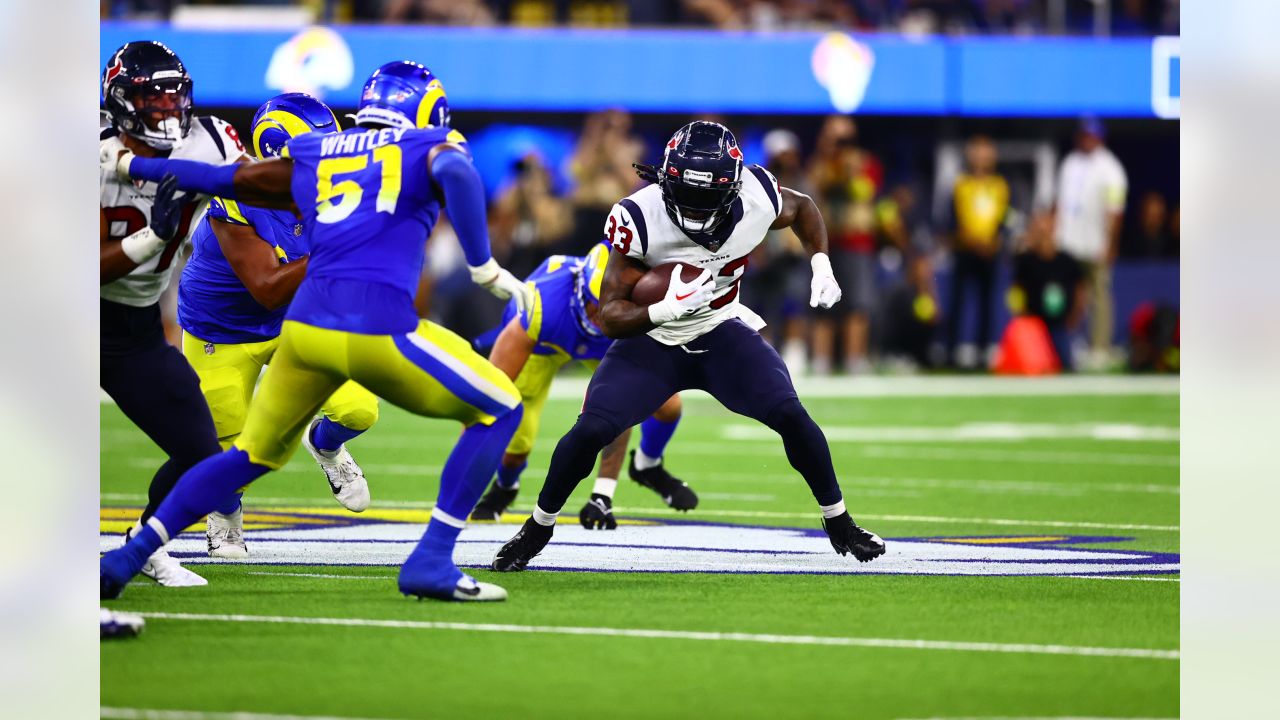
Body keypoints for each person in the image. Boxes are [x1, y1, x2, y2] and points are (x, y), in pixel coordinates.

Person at [101, 60, 533, 603]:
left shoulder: (321, 154)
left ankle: (126, 557)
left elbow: (221, 178)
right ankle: (431, 561)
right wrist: (483, 266)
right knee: (501, 407)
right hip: (372, 327)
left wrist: (130, 164)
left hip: (303, 333)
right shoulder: (429, 145)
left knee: (244, 458)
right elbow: (456, 171)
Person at [491, 121, 885, 571]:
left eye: (707, 195)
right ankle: (538, 526)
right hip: (653, 341)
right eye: (687, 193)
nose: (696, 207)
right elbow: (610, 316)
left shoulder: (757, 193)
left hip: (720, 329)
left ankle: (839, 522)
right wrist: (662, 310)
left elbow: (804, 208)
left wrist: (820, 262)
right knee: (590, 431)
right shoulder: (638, 215)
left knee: (792, 417)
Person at [177, 93, 382, 559]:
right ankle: (225, 515)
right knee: (231, 456)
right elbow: (267, 286)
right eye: (318, 152)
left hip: (296, 319)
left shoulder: (339, 187)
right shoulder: (237, 195)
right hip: (221, 331)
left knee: (359, 411)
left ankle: (325, 447)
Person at [100, 41, 247, 588]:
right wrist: (153, 236)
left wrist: (313, 170)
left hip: (134, 330)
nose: (166, 107)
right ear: (121, 100)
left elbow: (256, 184)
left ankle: (142, 545)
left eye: (173, 94)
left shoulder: (208, 142)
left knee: (200, 454)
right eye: (150, 95)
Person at [469, 242, 694, 529]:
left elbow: (620, 405)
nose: (601, 315)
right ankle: (505, 487)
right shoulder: (543, 305)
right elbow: (490, 390)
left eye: (611, 303)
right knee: (517, 441)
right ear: (579, 289)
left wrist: (602, 494)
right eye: (594, 304)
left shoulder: (626, 312)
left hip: (602, 347)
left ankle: (647, 465)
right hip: (543, 344)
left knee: (668, 405)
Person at [807, 116, 882, 375]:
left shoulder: (865, 163)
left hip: (857, 241)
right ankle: (821, 360)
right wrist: (829, 158)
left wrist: (848, 168)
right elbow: (814, 190)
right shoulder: (819, 164)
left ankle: (854, 360)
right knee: (822, 301)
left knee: (858, 304)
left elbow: (865, 192)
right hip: (826, 242)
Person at [1054, 116, 1127, 369]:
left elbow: (1115, 211)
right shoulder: (1070, 163)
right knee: (1069, 296)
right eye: (1084, 134)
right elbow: (1061, 204)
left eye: (1092, 135)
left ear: (1100, 137)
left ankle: (1100, 347)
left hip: (1095, 242)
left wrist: (1110, 243)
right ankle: (1067, 346)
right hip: (1068, 242)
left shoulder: (1111, 168)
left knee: (1098, 296)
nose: (1087, 139)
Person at [944, 135, 1008, 369]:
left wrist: (995, 242)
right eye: (977, 152)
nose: (981, 158)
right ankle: (951, 352)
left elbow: (1004, 219)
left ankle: (983, 353)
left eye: (986, 152)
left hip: (990, 252)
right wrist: (969, 240)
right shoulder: (961, 184)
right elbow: (952, 219)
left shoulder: (1000, 185)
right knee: (958, 301)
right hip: (966, 250)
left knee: (987, 303)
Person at [1010, 212, 1086, 370]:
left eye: (1045, 229)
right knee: (1035, 367)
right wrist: (1021, 316)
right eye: (1038, 229)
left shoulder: (1067, 261)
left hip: (1059, 324)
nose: (1042, 234)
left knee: (1065, 364)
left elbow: (1080, 290)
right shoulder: (1026, 261)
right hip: (1034, 327)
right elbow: (1016, 290)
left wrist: (1075, 315)